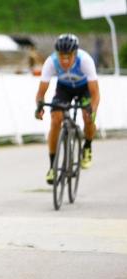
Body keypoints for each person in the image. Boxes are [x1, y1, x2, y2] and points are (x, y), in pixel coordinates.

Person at [34, 33, 100, 184]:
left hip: (84, 89)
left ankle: (87, 146)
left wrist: (93, 111)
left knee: (87, 117)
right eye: (61, 56)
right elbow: (41, 92)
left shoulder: (85, 61)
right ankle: (52, 167)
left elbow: (95, 93)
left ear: (75, 54)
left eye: (68, 56)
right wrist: (39, 106)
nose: (64, 60)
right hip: (64, 89)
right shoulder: (51, 62)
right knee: (55, 121)